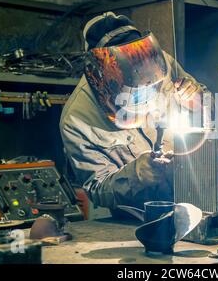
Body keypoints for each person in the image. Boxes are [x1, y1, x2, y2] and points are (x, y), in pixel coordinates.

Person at [60, 12, 208, 214]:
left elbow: (207, 107)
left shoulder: (161, 62)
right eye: (135, 94)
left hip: (193, 199)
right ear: (103, 77)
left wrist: (197, 100)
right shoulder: (77, 119)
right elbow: (97, 189)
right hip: (136, 220)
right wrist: (137, 174)